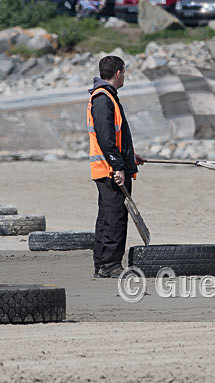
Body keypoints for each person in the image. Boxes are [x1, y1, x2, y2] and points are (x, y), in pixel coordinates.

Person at [87, 56, 144, 278]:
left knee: (107, 216)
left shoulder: (106, 96)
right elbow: (105, 137)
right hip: (109, 169)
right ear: (118, 73)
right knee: (114, 217)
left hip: (109, 166)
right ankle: (110, 265)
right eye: (124, 73)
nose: (124, 77)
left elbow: (115, 136)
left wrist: (130, 157)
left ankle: (103, 265)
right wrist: (118, 166)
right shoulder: (103, 98)